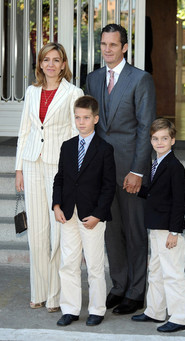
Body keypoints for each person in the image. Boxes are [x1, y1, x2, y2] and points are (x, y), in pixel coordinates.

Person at [85, 23, 156, 314]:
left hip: (130, 169)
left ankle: (137, 291)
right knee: (111, 232)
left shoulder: (141, 79)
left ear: (124, 47)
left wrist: (138, 171)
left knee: (135, 231)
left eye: (113, 44)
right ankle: (119, 285)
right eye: (104, 44)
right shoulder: (93, 78)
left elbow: (145, 127)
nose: (108, 49)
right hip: (102, 171)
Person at [15, 42, 84, 312]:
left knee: (59, 232)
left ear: (64, 64)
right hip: (32, 162)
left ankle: (56, 296)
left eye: (56, 60)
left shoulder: (73, 92)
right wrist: (19, 168)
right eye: (46, 60)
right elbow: (24, 132)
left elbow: (77, 133)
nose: (51, 64)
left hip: (59, 167)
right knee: (37, 233)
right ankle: (39, 291)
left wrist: (73, 171)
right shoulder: (32, 92)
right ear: (40, 64)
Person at [52, 95, 116, 327]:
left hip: (92, 216)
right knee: (68, 262)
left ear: (95, 119)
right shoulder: (67, 146)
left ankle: (97, 310)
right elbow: (59, 178)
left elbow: (109, 186)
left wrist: (98, 214)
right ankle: (70, 309)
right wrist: (57, 205)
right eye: (77, 117)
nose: (81, 122)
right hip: (68, 213)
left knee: (95, 265)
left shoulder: (104, 149)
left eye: (86, 118)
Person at [132, 118, 185, 333]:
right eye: (155, 139)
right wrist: (139, 190)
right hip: (155, 227)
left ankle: (180, 317)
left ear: (172, 140)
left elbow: (178, 202)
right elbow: (157, 194)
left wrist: (174, 231)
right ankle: (155, 311)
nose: (159, 142)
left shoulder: (175, 167)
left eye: (164, 138)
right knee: (155, 270)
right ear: (151, 141)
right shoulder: (154, 163)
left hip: (168, 229)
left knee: (172, 273)